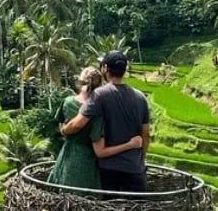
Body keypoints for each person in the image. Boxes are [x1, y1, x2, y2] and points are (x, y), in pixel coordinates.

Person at [62, 51, 151, 192]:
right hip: (134, 169)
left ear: (105, 69)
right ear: (124, 70)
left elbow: (78, 124)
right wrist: (141, 160)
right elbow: (145, 135)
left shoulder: (100, 95)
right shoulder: (140, 97)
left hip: (109, 170)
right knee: (135, 210)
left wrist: (64, 129)